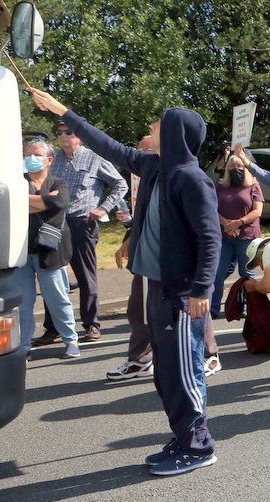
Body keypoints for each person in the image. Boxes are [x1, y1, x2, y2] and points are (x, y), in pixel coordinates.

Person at [30, 87, 221, 476]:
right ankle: (183, 435)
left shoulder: (191, 179)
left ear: (173, 134)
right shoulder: (155, 166)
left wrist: (202, 290)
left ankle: (199, 446)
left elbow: (209, 238)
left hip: (181, 291)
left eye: (158, 123)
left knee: (184, 371)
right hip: (154, 284)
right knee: (166, 372)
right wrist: (62, 108)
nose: (150, 127)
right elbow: (108, 145)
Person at [45, 117, 128, 342]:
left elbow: (121, 184)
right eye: (59, 131)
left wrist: (103, 208)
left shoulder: (94, 158)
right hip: (55, 222)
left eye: (68, 131)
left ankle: (91, 325)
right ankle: (52, 328)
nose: (63, 135)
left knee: (85, 277)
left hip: (82, 223)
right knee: (51, 276)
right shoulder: (52, 160)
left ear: (79, 136)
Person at [15, 136, 80, 358]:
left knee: (57, 298)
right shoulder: (17, 181)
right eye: (28, 154)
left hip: (50, 250)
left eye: (37, 155)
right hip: (20, 251)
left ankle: (71, 340)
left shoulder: (59, 183)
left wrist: (25, 202)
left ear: (49, 160)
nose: (31, 158)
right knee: (23, 302)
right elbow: (10, 206)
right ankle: (24, 346)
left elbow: (59, 204)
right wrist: (44, 202)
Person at [107, 134, 156, 381]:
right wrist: (129, 235)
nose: (137, 156)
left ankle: (141, 360)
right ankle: (143, 359)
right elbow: (143, 220)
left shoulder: (170, 177)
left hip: (158, 262)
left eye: (142, 150)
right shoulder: (144, 179)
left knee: (142, 312)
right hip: (144, 259)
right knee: (141, 312)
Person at [211, 153, 264, 318]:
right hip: (224, 236)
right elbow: (212, 207)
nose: (236, 169)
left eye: (240, 166)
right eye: (232, 166)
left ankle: (250, 307)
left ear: (245, 167)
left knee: (247, 274)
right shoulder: (220, 186)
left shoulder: (253, 186)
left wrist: (239, 222)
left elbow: (257, 211)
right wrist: (227, 223)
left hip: (247, 237)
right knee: (217, 273)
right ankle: (212, 309)